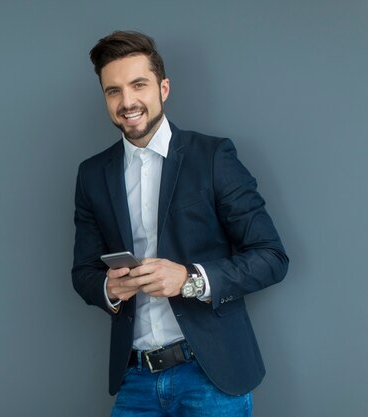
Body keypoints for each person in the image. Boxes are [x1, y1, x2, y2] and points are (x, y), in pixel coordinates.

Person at [72, 31, 289, 417]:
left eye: (138, 85)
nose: (127, 102)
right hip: (135, 378)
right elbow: (82, 272)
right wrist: (109, 287)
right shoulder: (92, 175)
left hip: (211, 375)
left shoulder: (212, 157)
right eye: (113, 91)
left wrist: (189, 279)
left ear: (163, 88)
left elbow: (271, 257)